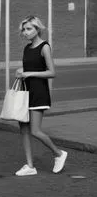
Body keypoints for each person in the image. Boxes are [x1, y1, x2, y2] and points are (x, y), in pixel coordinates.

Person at [14, 16, 68, 177]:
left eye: (29, 29)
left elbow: (52, 72)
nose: (25, 32)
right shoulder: (27, 48)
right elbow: (30, 65)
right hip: (25, 93)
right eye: (23, 29)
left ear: (38, 29)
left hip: (38, 92)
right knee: (23, 130)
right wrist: (20, 70)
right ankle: (30, 166)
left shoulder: (45, 47)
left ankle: (58, 154)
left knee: (35, 131)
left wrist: (29, 73)